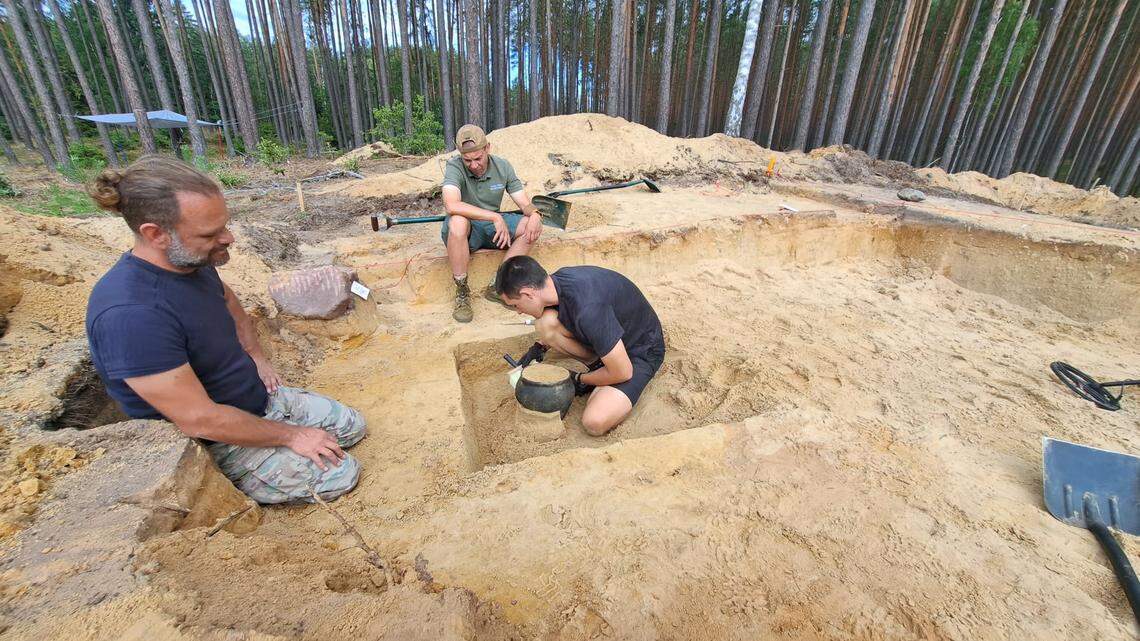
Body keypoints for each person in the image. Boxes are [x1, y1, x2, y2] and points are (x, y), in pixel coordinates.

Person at [84, 156, 366, 504]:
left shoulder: (191, 262)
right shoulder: (131, 315)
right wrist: (291, 436)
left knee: (354, 426)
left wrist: (257, 357)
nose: (228, 238)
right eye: (210, 233)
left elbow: (230, 304)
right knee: (342, 473)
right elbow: (199, 419)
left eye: (225, 225)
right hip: (218, 437)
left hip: (256, 401)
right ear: (156, 234)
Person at [495, 256, 665, 436]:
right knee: (545, 323)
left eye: (515, 305)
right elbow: (565, 313)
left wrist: (578, 379)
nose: (519, 311)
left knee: (594, 421)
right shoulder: (555, 283)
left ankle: (601, 376)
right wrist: (540, 346)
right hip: (611, 338)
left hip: (639, 351)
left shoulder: (589, 310)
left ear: (528, 293)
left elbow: (623, 372)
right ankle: (601, 369)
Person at [442, 124, 543, 323]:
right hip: (468, 230)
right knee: (458, 223)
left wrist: (536, 215)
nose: (473, 165)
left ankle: (498, 284)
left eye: (478, 158)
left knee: (529, 226)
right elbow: (451, 205)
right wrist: (495, 217)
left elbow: (524, 203)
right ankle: (462, 291)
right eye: (467, 160)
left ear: (488, 148)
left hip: (491, 228)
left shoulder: (503, 166)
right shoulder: (454, 166)